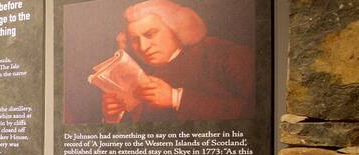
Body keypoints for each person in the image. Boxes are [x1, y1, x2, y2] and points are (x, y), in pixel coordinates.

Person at [101, 0, 253, 123]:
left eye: (151, 34)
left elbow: (257, 110)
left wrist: (175, 98)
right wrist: (113, 118)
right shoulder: (138, 73)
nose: (143, 46)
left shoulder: (219, 53)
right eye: (134, 40)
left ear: (176, 28)